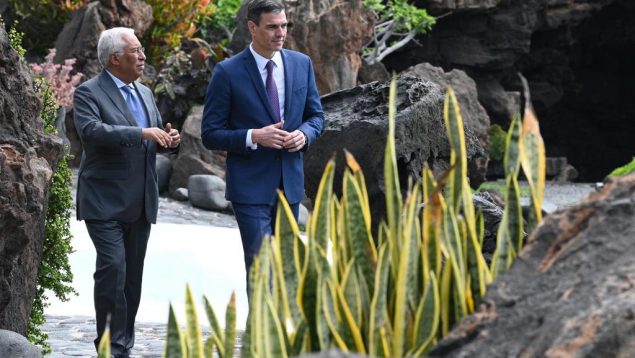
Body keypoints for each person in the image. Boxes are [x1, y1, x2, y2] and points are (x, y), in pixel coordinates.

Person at [73, 27, 180, 357]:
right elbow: (92, 132)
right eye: (137, 51)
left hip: (140, 202)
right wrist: (141, 132)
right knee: (113, 270)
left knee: (132, 277)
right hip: (103, 201)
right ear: (115, 58)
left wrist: (169, 140)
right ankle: (109, 346)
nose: (143, 56)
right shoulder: (88, 93)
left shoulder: (146, 93)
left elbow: (155, 134)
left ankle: (123, 344)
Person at [201, 0, 324, 285]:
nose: (280, 33)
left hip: (290, 186)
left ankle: (281, 330)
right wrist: (253, 136)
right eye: (272, 27)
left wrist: (304, 134)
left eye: (284, 26)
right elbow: (210, 134)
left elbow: (316, 116)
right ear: (252, 27)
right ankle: (259, 330)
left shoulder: (301, 63)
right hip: (250, 188)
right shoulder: (227, 72)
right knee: (261, 272)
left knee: (285, 275)